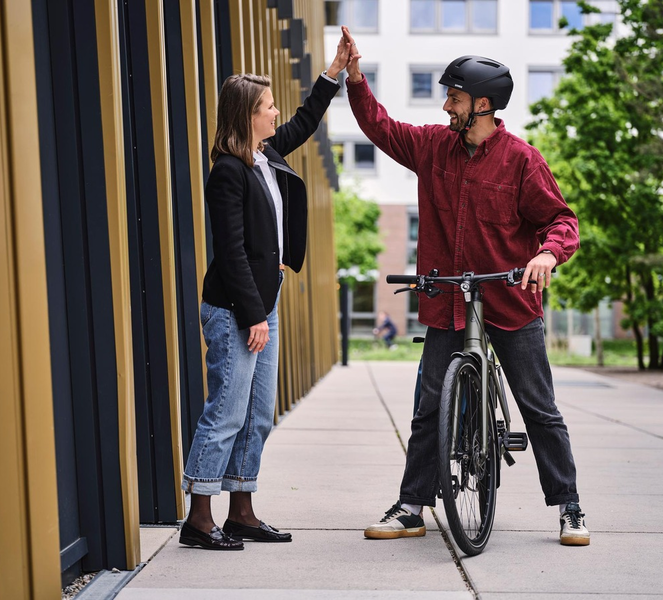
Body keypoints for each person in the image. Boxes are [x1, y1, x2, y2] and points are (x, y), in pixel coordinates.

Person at [341, 27, 590, 547]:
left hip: (511, 303)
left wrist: (547, 253)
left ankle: (569, 506)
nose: (445, 106)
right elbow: (382, 127)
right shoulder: (433, 147)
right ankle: (412, 507)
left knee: (540, 408)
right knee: (428, 407)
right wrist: (356, 77)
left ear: (482, 105)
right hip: (448, 302)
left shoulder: (522, 160)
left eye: (453, 98)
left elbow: (561, 223)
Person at [178, 36, 352, 551]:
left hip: (261, 305)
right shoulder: (228, 171)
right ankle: (200, 518)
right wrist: (254, 314)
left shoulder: (264, 154)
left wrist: (335, 72)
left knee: (257, 413)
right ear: (246, 115)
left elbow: (305, 119)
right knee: (226, 412)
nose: (276, 112)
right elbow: (230, 252)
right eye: (267, 106)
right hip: (236, 308)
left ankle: (243, 512)